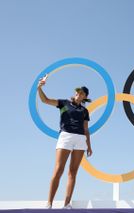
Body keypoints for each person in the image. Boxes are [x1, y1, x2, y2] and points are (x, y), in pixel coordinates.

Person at [37, 75, 93, 209]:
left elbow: (86, 129)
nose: (78, 94)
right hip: (65, 136)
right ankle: (49, 203)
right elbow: (45, 100)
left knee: (73, 172)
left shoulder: (85, 111)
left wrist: (89, 146)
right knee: (58, 170)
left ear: (84, 96)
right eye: (77, 91)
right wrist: (39, 87)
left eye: (81, 93)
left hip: (80, 139)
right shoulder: (64, 103)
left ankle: (67, 204)